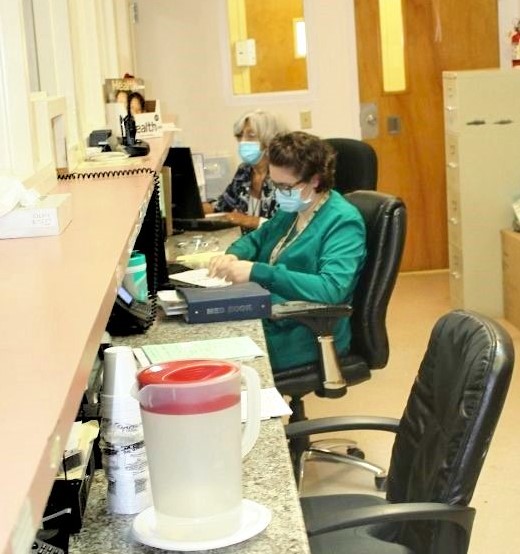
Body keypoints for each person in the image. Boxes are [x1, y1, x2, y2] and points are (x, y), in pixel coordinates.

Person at [208, 131, 366, 372]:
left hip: (308, 330)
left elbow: (331, 289)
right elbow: (257, 239)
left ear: (314, 180)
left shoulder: (343, 221)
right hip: (274, 316)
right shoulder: (294, 209)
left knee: (223, 363)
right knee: (213, 339)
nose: (280, 192)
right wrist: (233, 255)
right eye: (275, 184)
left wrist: (257, 272)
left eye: (285, 186)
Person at [204, 109, 288, 230]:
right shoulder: (244, 171)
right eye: (240, 136)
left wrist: (248, 220)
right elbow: (222, 206)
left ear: (270, 139)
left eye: (251, 136)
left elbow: (285, 225)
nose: (243, 142)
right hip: (247, 243)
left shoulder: (285, 175)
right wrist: (192, 208)